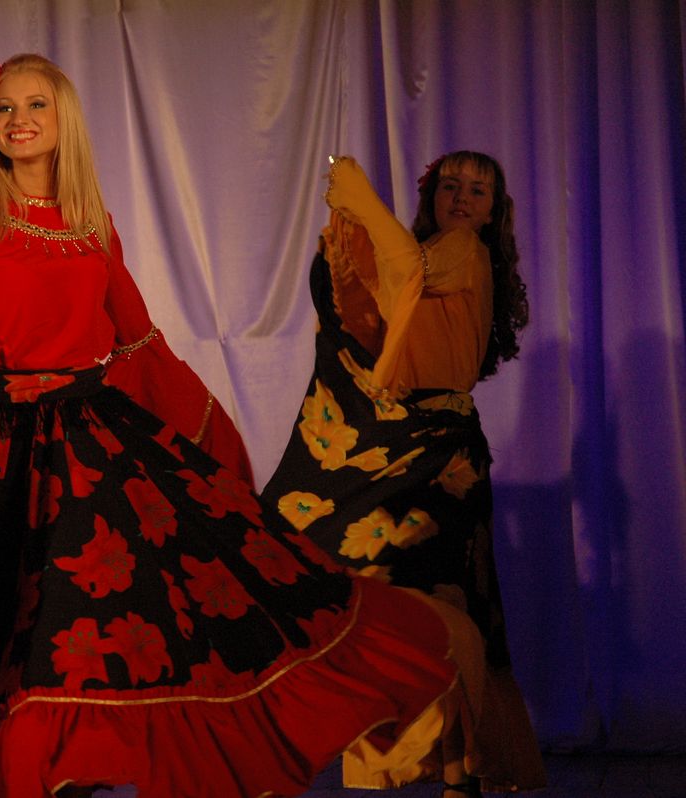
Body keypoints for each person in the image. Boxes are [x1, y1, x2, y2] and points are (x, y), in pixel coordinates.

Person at [0, 53, 461, 798]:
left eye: (35, 105)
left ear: (63, 120)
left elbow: (138, 342)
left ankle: (73, 770)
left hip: (88, 441)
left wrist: (203, 436)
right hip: (3, 447)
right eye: (5, 108)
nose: (18, 120)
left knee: (93, 627)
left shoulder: (92, 224)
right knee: (5, 635)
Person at [261, 152, 546, 797]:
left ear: (493, 211)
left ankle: (458, 772)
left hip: (440, 457)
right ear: (432, 196)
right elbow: (378, 301)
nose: (462, 198)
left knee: (435, 601)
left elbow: (407, 270)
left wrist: (361, 200)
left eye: (478, 190)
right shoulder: (428, 255)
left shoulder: (463, 250)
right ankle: (449, 772)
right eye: (451, 186)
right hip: (407, 443)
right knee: (416, 600)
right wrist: (349, 237)